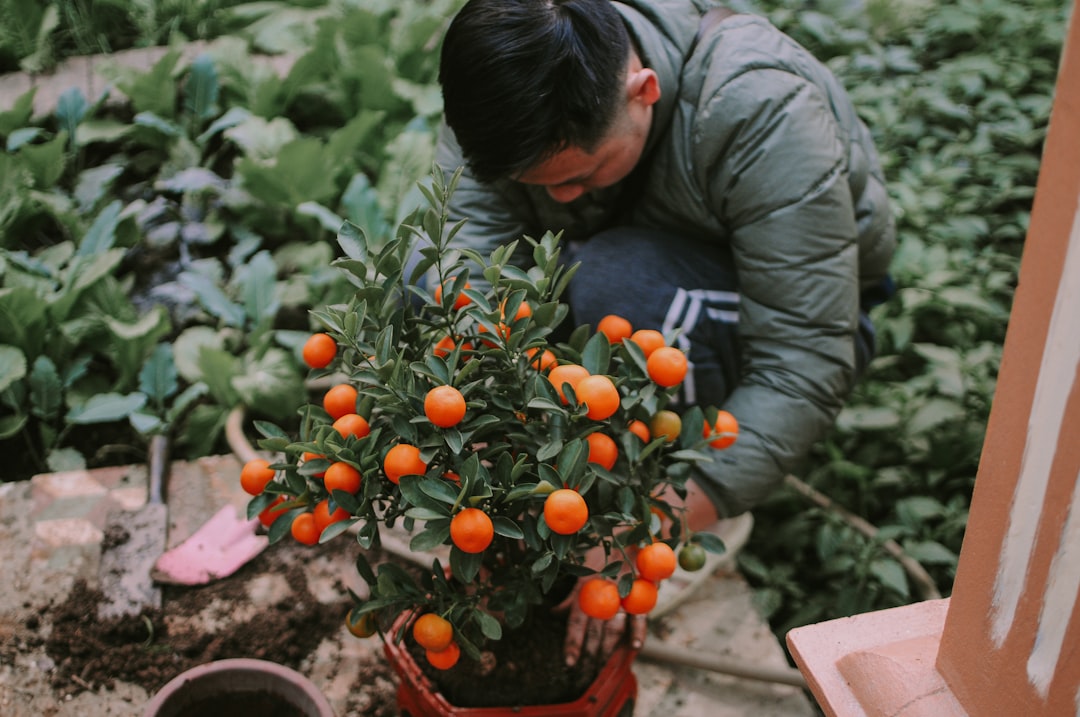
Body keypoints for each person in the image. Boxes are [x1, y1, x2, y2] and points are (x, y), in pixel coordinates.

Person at [434, 0, 896, 663]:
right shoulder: (503, 85)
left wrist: (650, 522)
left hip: (795, 305)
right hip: (621, 247)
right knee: (453, 289)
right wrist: (474, 411)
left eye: (580, 175)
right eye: (535, 183)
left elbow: (804, 359)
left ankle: (690, 498)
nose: (559, 196)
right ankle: (590, 466)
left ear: (642, 90)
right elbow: (464, 251)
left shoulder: (762, 113)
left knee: (620, 290)